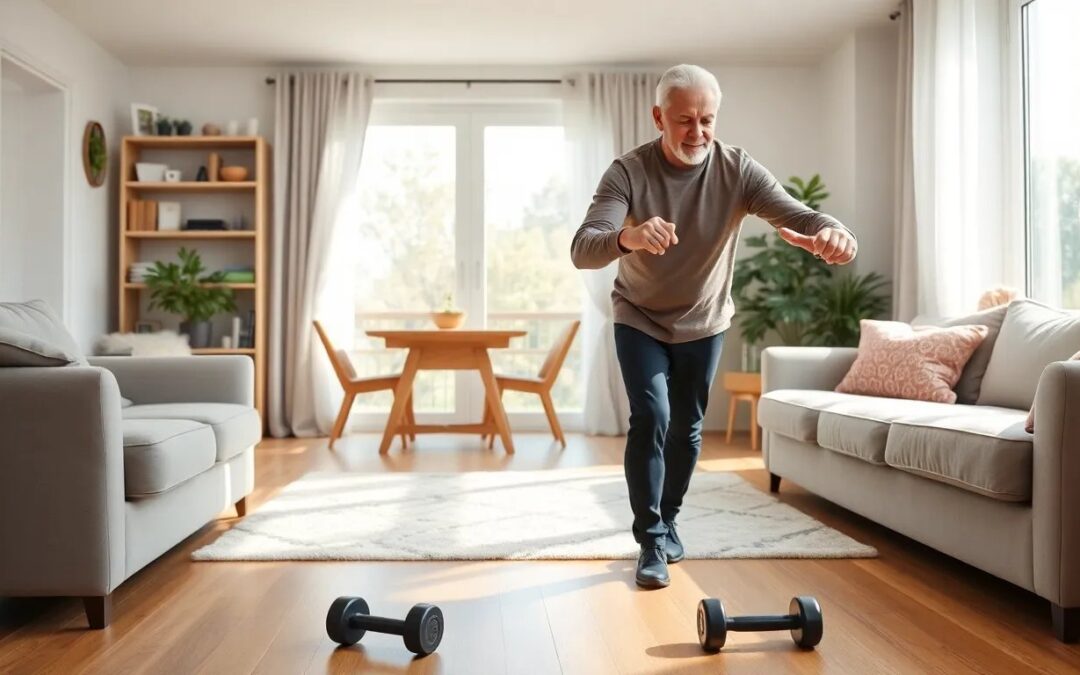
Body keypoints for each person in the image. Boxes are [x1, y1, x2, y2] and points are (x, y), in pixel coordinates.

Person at [570, 64, 857, 589]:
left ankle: (670, 518)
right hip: (640, 315)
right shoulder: (627, 172)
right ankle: (651, 538)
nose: (697, 132)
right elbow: (583, 249)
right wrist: (628, 239)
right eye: (684, 120)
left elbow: (799, 214)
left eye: (707, 120)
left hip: (705, 319)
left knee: (687, 427)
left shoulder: (737, 170)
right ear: (658, 116)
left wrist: (834, 232)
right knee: (651, 416)